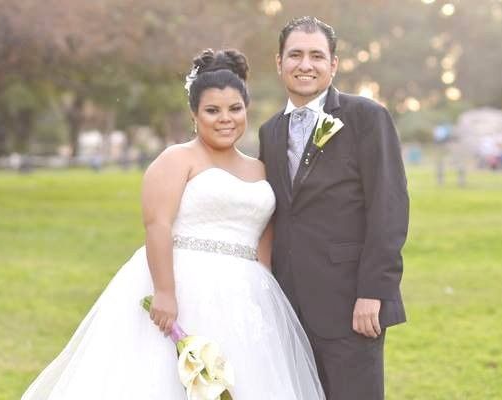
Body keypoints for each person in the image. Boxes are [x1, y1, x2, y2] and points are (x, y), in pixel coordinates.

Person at [21, 49, 325, 400]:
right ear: (194, 114)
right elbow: (157, 225)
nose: (225, 119)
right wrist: (165, 292)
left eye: (234, 109)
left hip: (247, 295)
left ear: (246, 110)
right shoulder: (177, 159)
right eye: (212, 110)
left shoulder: (259, 169)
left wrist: (267, 299)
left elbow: (264, 240)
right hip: (184, 284)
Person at [259, 16, 409, 400]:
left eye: (316, 56)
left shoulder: (365, 117)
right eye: (295, 55)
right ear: (279, 63)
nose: (305, 65)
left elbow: (388, 208)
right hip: (290, 307)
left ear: (333, 64)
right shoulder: (270, 132)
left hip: (352, 305)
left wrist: (373, 292)